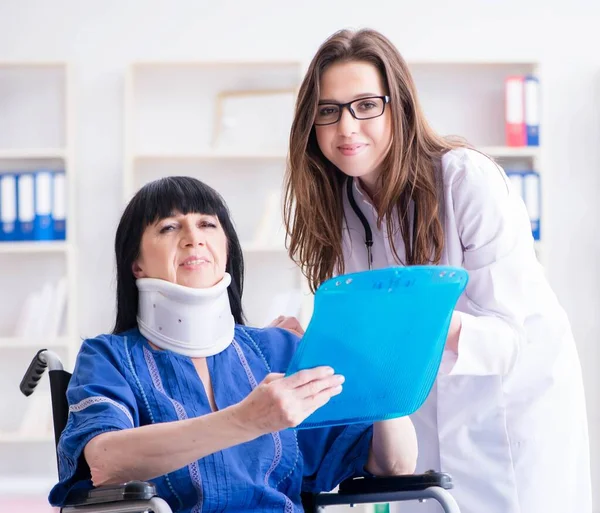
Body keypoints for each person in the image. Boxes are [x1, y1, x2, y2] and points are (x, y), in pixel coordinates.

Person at [277, 28, 591, 513]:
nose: (346, 127)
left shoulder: (464, 179)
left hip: (511, 413)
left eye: (365, 105)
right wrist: (317, 341)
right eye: (328, 110)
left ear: (398, 106)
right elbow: (366, 340)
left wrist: (410, 324)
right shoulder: (338, 204)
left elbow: (514, 339)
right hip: (420, 410)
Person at [48, 176, 418, 513]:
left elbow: (395, 465)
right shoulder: (109, 357)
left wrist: (372, 370)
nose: (194, 237)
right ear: (137, 266)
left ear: (227, 248)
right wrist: (247, 419)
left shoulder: (276, 351)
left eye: (208, 224)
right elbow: (105, 461)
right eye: (168, 227)